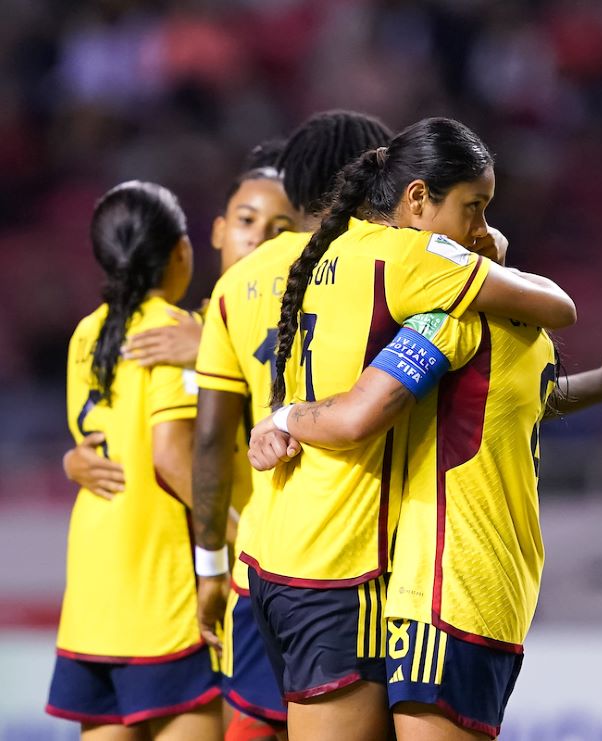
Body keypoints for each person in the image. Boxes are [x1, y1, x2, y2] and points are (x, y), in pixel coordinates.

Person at [238, 116, 578, 741]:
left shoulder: (313, 256)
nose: (480, 230)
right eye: (474, 209)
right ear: (417, 199)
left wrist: (279, 418)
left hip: (273, 548)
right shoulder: (430, 281)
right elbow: (559, 306)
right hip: (350, 564)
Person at [192, 110, 396, 739]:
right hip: (347, 556)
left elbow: (208, 441)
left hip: (259, 561)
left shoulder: (235, 283)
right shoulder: (384, 263)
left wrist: (209, 564)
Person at [46, 181, 222, 739]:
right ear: (180, 251)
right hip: (161, 580)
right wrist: (237, 530)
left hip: (98, 581)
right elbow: (170, 454)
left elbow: (98, 440)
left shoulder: (85, 332)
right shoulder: (170, 330)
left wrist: (71, 462)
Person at [61, 165, 295, 498]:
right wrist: (73, 460)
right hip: (201, 532)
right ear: (217, 231)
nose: (258, 237)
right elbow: (168, 454)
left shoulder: (306, 318)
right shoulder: (178, 330)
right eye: (246, 220)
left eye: (282, 229)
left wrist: (212, 352)